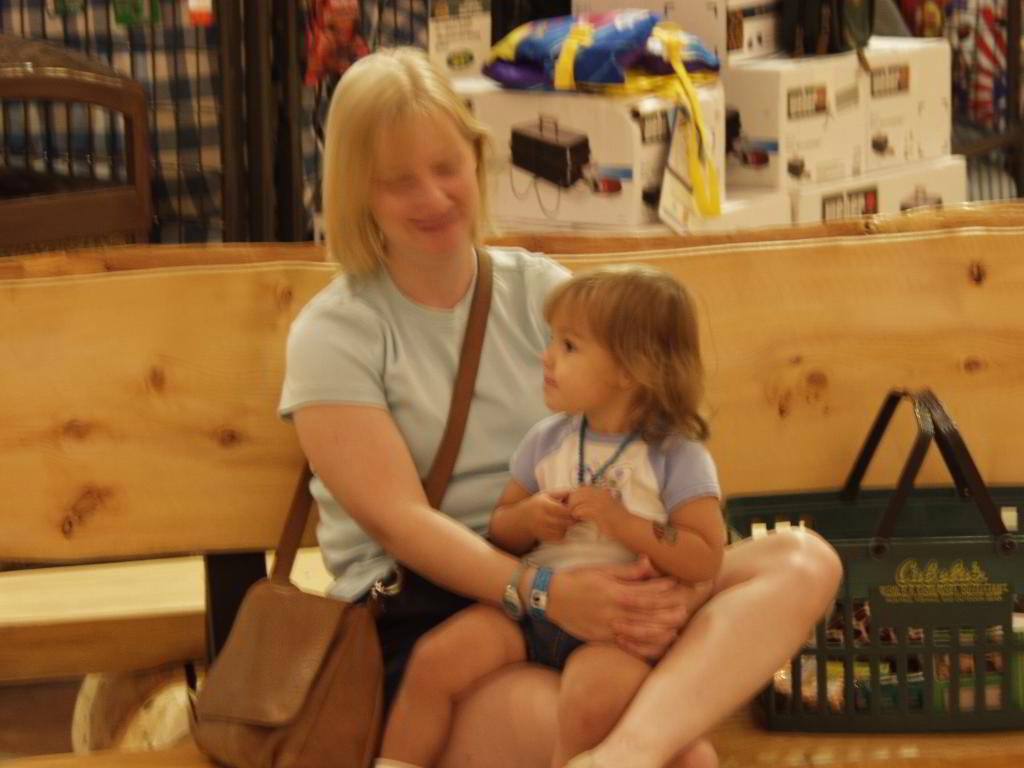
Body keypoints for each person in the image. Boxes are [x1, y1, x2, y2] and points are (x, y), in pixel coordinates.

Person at [279, 45, 842, 768]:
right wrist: (545, 593)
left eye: (447, 167)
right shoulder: (335, 334)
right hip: (439, 621)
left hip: (593, 574)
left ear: (477, 158)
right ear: (357, 193)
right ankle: (637, 748)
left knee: (802, 561)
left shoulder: (546, 293)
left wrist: (662, 593)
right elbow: (404, 526)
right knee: (688, 760)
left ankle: (629, 751)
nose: (434, 197)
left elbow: (650, 440)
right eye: (399, 181)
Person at [378, 266, 727, 768]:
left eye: (569, 346)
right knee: (435, 659)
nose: (546, 357)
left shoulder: (675, 456)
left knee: (592, 702)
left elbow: (705, 556)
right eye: (552, 341)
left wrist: (625, 525)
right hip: (532, 612)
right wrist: (529, 519)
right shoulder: (547, 440)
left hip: (617, 634)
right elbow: (501, 528)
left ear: (630, 370)